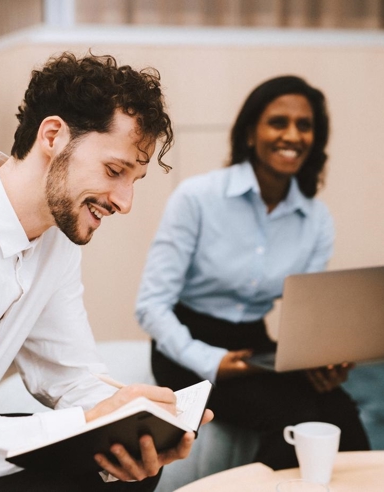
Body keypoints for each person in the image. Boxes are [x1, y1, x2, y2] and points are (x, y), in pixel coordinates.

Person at [0, 52, 212, 491]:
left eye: (133, 181)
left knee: (122, 467)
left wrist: (133, 420)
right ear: (53, 136)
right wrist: (85, 422)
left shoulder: (56, 244)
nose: (124, 202)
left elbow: (70, 373)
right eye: (114, 170)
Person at [135, 75, 370, 471]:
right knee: (291, 417)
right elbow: (151, 306)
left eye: (305, 125)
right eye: (278, 122)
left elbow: (309, 319)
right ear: (249, 134)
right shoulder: (197, 198)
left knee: (342, 414)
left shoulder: (316, 219)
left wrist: (322, 361)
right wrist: (210, 360)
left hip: (254, 345)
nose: (293, 135)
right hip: (187, 344)